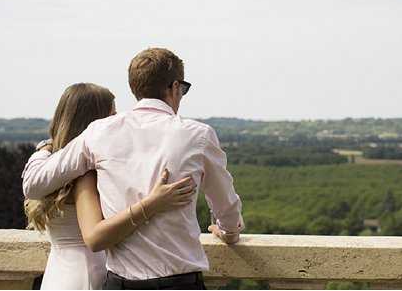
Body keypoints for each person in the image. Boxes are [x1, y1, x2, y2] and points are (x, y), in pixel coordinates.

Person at [22, 48, 244, 290]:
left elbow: (34, 186)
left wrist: (46, 146)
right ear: (175, 87)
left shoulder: (99, 132)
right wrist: (228, 231)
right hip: (180, 282)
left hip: (119, 283)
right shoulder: (198, 135)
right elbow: (226, 205)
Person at [24, 83, 197, 289]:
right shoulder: (85, 175)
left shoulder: (51, 162)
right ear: (93, 121)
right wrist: (153, 203)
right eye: (112, 115)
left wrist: (44, 147)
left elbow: (32, 182)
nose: (116, 121)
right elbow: (95, 237)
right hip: (88, 276)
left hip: (57, 275)